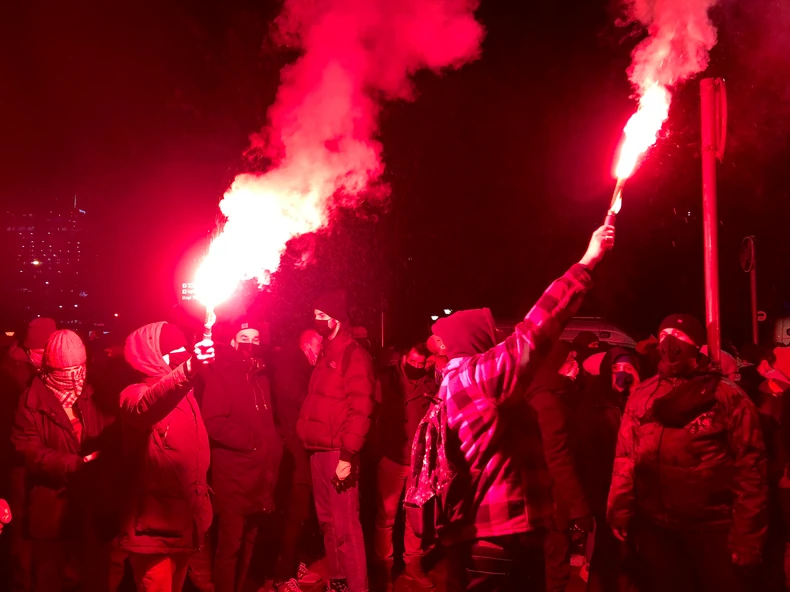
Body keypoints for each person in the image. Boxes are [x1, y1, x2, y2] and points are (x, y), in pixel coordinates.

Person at [406, 224, 615, 592]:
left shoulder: (454, 387)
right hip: (497, 541)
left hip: (481, 539)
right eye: (493, 340)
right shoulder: (475, 378)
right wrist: (587, 261)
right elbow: (534, 331)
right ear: (477, 342)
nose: (499, 346)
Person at [607, 315, 768, 592]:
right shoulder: (643, 395)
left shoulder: (726, 396)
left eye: (680, 336)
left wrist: (747, 535)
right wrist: (619, 510)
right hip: (657, 528)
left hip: (712, 529)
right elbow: (627, 458)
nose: (670, 342)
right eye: (665, 334)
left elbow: (751, 467)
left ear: (697, 346)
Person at [11, 329, 122, 591]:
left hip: (91, 509)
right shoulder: (30, 403)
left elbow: (109, 435)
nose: (75, 378)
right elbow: (30, 451)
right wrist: (76, 464)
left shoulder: (92, 395)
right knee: (51, 579)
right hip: (53, 511)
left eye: (79, 368)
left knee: (92, 578)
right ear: (51, 369)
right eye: (66, 371)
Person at [119, 322, 215, 592]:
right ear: (150, 355)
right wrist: (189, 367)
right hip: (153, 526)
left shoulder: (186, 395)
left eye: (184, 350)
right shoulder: (132, 394)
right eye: (174, 351)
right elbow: (148, 404)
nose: (181, 355)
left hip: (183, 519)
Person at [297, 291, 376, 592]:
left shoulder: (353, 353)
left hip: (337, 452)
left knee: (346, 529)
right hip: (318, 449)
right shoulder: (327, 352)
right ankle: (339, 585)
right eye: (315, 313)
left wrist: (347, 455)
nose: (316, 319)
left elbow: (361, 406)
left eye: (321, 315)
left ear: (336, 319)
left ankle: (358, 588)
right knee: (328, 523)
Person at [198, 321, 283, 592]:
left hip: (260, 475)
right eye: (244, 337)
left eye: (256, 338)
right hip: (234, 476)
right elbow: (213, 421)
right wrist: (252, 442)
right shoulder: (222, 373)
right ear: (234, 342)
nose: (251, 342)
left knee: (250, 541)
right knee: (229, 546)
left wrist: (272, 445)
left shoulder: (261, 375)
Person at [522, 341, 592, 592]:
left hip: (539, 496)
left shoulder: (542, 393)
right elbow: (558, 457)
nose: (576, 367)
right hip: (553, 500)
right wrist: (579, 506)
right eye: (571, 362)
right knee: (555, 564)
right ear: (557, 366)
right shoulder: (549, 402)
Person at [568, 347, 640, 591]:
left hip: (642, 497)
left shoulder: (648, 402)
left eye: (628, 368)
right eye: (615, 369)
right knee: (608, 557)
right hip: (607, 495)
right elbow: (585, 455)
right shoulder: (593, 404)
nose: (622, 375)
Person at [373, 342, 438, 591]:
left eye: (421, 364)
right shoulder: (387, 380)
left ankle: (413, 563)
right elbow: (373, 412)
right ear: (404, 358)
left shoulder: (429, 383)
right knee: (385, 517)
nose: (416, 367)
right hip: (391, 457)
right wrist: (379, 451)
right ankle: (384, 568)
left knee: (414, 516)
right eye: (412, 362)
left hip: (417, 460)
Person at [0, 318, 56, 592]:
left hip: (30, 465)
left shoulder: (29, 372)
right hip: (16, 466)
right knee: (21, 536)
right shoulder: (11, 377)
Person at [270, 330, 323, 592]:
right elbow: (300, 399)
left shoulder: (299, 365)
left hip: (301, 449)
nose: (320, 350)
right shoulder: (294, 365)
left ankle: (296, 562)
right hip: (295, 449)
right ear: (307, 345)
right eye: (318, 345)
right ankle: (283, 575)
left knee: (303, 513)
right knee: (295, 512)